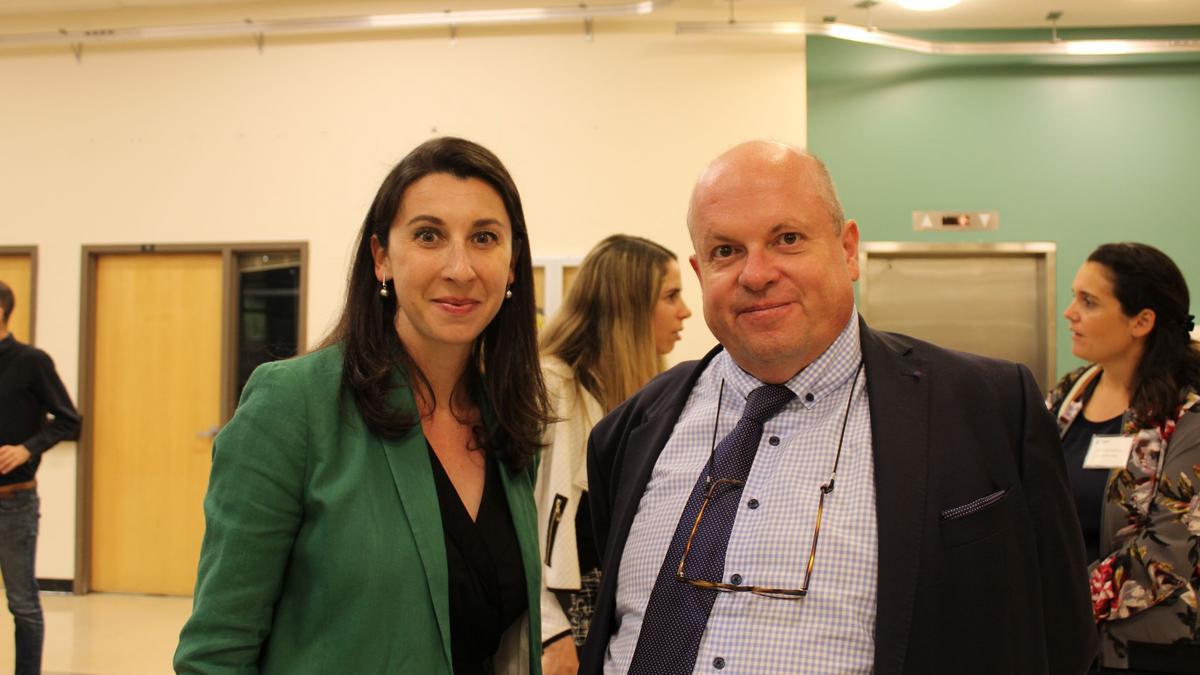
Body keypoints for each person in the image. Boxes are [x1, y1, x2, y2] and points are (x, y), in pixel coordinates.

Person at [580, 141, 1097, 674]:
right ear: (699, 270)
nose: (756, 274)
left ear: (847, 249)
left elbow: (1062, 636)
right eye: (726, 251)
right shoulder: (632, 428)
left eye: (787, 239)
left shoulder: (988, 407)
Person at [174, 137, 553, 674]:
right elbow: (216, 651)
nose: (460, 268)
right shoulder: (295, 404)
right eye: (429, 235)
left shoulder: (507, 423)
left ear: (512, 264)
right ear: (382, 258)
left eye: (484, 238)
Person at [537, 235, 692, 674]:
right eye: (671, 296)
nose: (685, 311)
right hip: (562, 627)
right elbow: (531, 530)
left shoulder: (643, 401)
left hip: (609, 620)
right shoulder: (554, 387)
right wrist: (552, 633)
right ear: (629, 306)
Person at [1047, 242, 1200, 671]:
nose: (1069, 313)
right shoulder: (1070, 394)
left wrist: (1056, 600)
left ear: (1142, 321)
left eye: (1089, 302)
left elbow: (1167, 553)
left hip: (1148, 650)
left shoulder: (1187, 415)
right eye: (1074, 297)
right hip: (1067, 646)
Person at [0, 280, 82, 675]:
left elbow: (69, 420)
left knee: (22, 603)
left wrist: (27, 448)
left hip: (13, 502)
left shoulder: (31, 361)